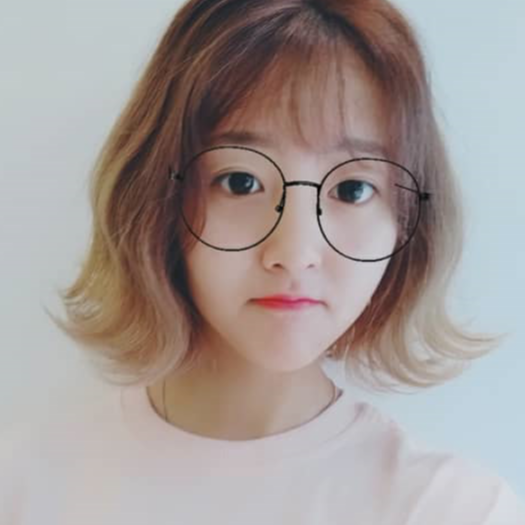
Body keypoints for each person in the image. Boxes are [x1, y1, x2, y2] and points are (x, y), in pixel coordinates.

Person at [1, 0, 524, 523]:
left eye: (352, 189)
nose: (294, 253)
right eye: (241, 182)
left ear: (408, 222)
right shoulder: (25, 486)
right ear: (156, 199)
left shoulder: (454, 510)